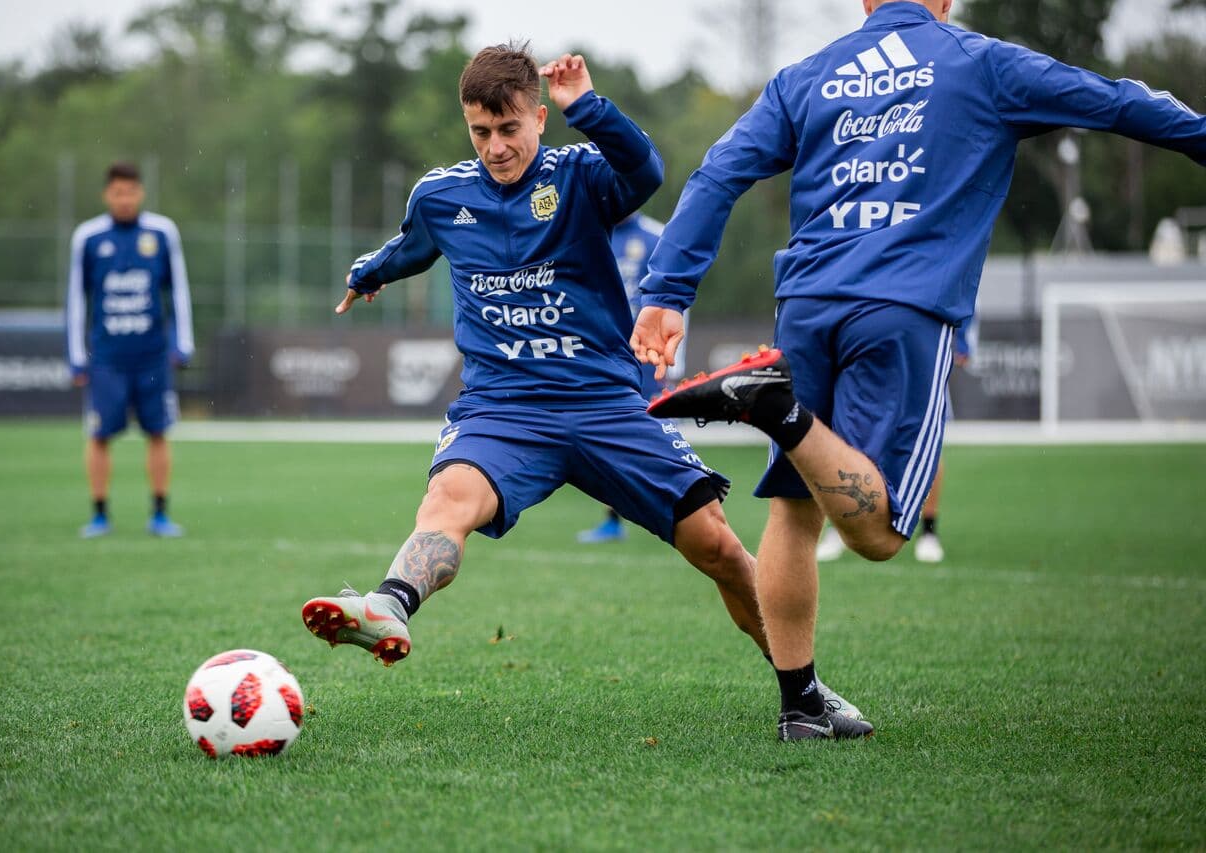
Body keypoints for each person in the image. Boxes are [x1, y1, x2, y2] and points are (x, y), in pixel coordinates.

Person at [631, 0, 1205, 740]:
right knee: (880, 532)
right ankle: (779, 408)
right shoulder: (983, 63)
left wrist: (667, 292)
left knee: (793, 513)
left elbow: (720, 171)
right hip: (901, 307)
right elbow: (1120, 102)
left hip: (804, 305)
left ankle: (800, 704)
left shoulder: (808, 76)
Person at [299, 43, 862, 736]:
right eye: (481, 132)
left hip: (605, 403)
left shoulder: (579, 177)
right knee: (447, 499)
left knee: (714, 543)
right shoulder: (442, 196)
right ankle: (390, 602)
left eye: (510, 129)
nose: (496, 147)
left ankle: (803, 696)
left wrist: (588, 107)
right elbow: (412, 244)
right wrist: (369, 272)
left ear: (539, 118)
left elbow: (644, 171)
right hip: (503, 410)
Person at [66, 162, 194, 538]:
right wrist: (76, 354)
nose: (125, 199)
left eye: (131, 192)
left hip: (152, 354)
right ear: (107, 195)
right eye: (117, 192)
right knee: (99, 435)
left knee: (158, 431)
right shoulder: (88, 237)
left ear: (141, 193)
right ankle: (100, 513)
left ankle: (159, 512)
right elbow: (77, 298)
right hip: (106, 358)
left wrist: (182, 342)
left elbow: (179, 289)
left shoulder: (162, 232)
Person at [816, 315, 975, 562]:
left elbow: (958, 283)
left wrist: (961, 339)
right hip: (868, 347)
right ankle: (840, 527)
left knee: (926, 444)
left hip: (920, 348)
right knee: (848, 438)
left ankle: (929, 532)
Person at [576, 210, 687, 544]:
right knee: (604, 435)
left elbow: (676, 299)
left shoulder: (657, 237)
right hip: (602, 355)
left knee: (654, 433)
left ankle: (684, 504)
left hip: (646, 357)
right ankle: (613, 519)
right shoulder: (589, 232)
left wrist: (673, 358)